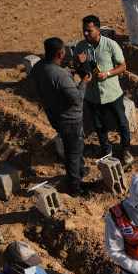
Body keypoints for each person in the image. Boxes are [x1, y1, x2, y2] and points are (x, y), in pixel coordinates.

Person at [30, 37, 90, 195]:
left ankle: (81, 170)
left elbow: (50, 85)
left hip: (54, 115)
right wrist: (83, 81)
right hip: (70, 120)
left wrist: (71, 67)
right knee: (73, 152)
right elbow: (77, 99)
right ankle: (75, 187)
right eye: (64, 52)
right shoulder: (60, 75)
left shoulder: (38, 67)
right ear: (60, 53)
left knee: (74, 147)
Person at [75, 15, 134, 166]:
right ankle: (106, 151)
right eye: (84, 31)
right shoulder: (80, 47)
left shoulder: (110, 45)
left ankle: (126, 150)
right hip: (93, 95)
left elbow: (123, 66)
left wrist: (107, 74)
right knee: (99, 126)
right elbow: (79, 71)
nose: (86, 34)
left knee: (121, 123)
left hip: (112, 93)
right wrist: (80, 64)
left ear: (98, 30)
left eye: (89, 30)